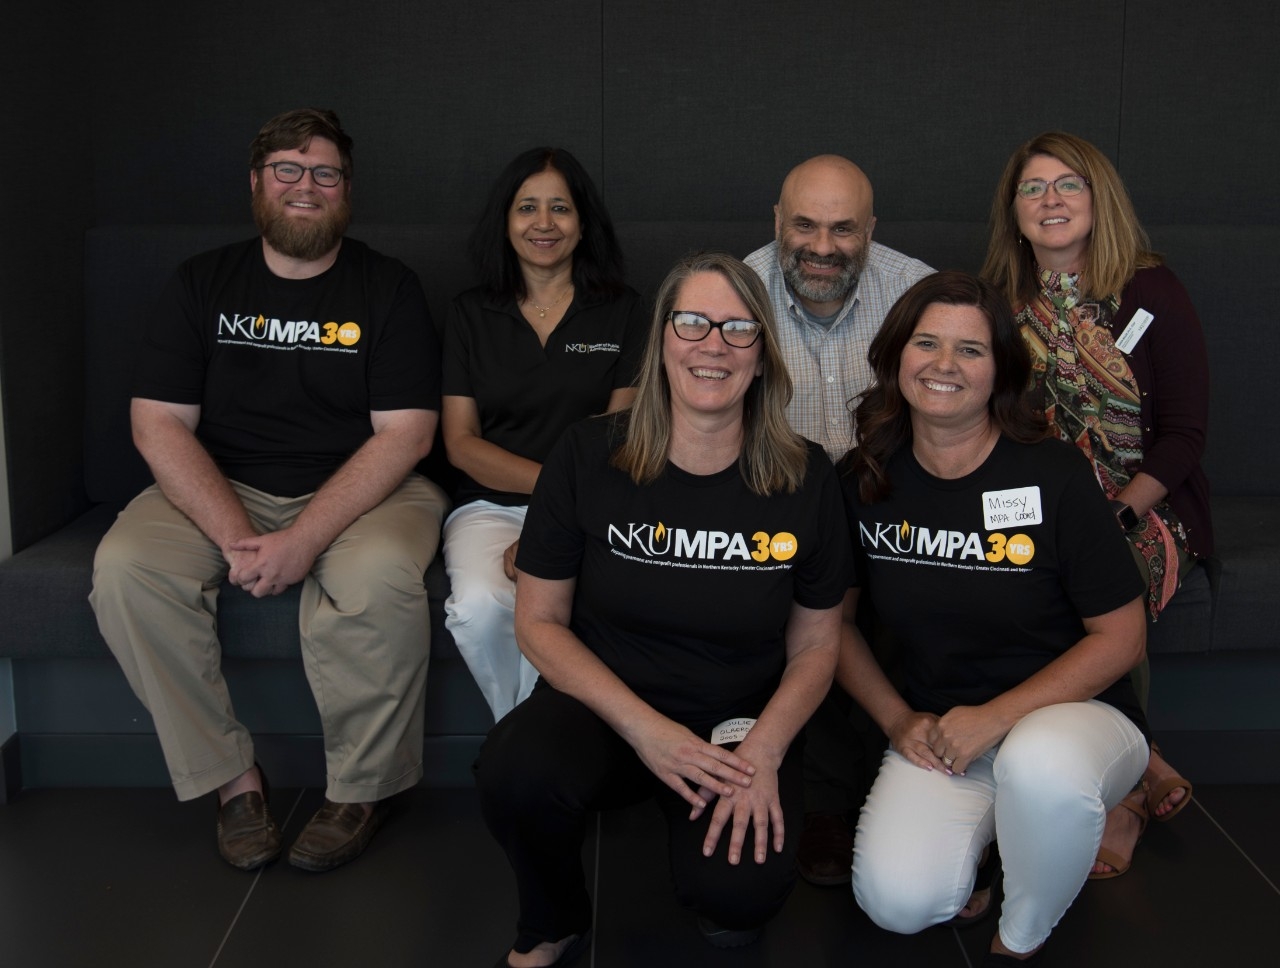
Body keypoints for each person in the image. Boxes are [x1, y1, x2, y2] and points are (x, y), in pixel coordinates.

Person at [89, 108, 449, 873]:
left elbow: (407, 434)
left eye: (325, 173)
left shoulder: (388, 288)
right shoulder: (201, 282)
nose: (305, 186)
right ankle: (230, 780)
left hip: (367, 491)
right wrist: (236, 537)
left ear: (346, 190)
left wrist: (304, 539)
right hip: (223, 487)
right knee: (126, 569)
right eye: (288, 169)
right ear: (257, 184)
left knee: (380, 578)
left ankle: (361, 789)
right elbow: (157, 426)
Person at [475, 252, 851, 966]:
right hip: (610, 709)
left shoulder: (807, 476)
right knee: (515, 772)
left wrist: (765, 751)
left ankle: (700, 838)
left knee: (739, 902)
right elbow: (539, 622)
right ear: (662, 342)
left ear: (763, 354)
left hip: (736, 719)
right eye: (693, 322)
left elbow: (816, 647)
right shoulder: (587, 454)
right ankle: (550, 919)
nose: (714, 344)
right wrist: (649, 733)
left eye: (739, 329)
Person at [837, 271, 1150, 965]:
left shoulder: (1055, 475)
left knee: (1041, 768)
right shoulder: (864, 477)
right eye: (927, 343)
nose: (945, 365)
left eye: (970, 350)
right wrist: (897, 720)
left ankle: (1020, 936)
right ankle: (1009, 840)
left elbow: (1122, 636)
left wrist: (997, 717)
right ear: (895, 358)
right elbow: (833, 626)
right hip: (946, 733)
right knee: (898, 903)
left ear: (1002, 370)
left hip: (1070, 719)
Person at [981, 131, 1207, 877]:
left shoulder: (1151, 290)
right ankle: (1142, 761)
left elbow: (1183, 434)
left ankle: (1118, 793)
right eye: (1033, 188)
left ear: (1097, 198)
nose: (1051, 200)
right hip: (1036, 499)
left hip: (1141, 502)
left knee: (1106, 572)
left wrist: (1119, 511)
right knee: (999, 567)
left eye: (1068, 184)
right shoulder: (1000, 304)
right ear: (1014, 215)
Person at [744, 154, 933, 885]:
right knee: (798, 595)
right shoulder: (739, 290)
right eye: (806, 225)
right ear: (777, 223)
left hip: (891, 503)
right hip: (770, 504)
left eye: (844, 230)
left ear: (872, 231)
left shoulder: (914, 291)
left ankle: (911, 779)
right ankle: (824, 800)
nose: (823, 247)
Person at [441, 147, 646, 724]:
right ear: (505, 221)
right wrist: (551, 493)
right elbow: (461, 443)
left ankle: (548, 743)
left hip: (595, 507)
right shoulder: (469, 313)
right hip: (488, 506)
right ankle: (521, 733)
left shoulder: (624, 312)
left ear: (583, 224)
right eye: (527, 207)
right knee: (481, 607)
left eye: (560, 208)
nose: (544, 223)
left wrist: (559, 516)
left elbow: (621, 435)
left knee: (574, 614)